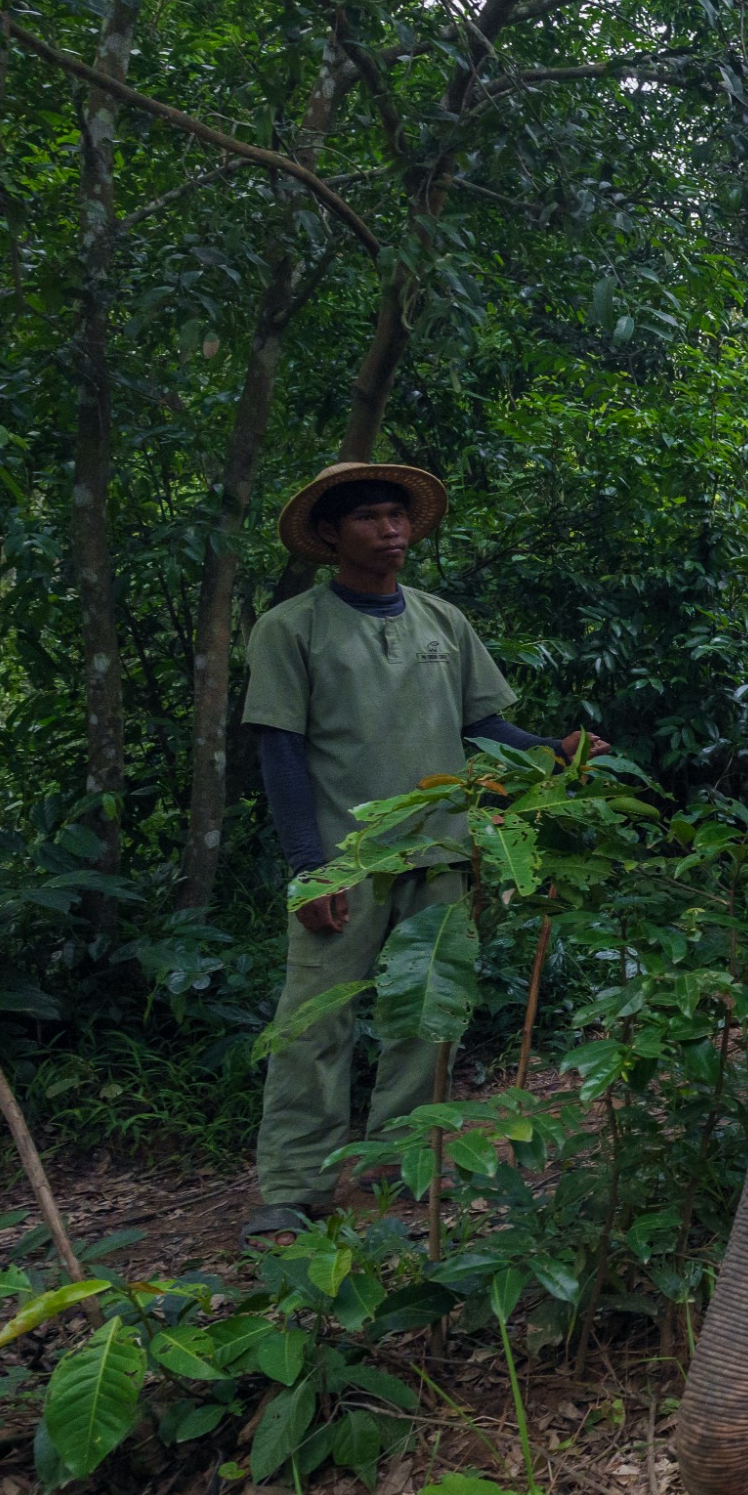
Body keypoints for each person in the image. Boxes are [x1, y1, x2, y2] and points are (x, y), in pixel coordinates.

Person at [240, 461, 599, 1242]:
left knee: (425, 1022)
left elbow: (484, 729)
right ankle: (292, 1188)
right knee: (312, 1026)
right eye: (370, 517)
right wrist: (310, 867)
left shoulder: (442, 620)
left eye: (398, 516)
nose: (391, 530)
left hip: (440, 855)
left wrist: (553, 752)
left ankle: (400, 1170)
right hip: (348, 862)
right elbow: (280, 752)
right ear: (332, 535)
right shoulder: (291, 629)